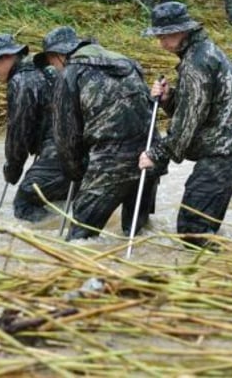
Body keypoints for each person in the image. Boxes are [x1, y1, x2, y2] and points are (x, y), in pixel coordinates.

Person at [138, 2, 232, 248]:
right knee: (203, 229)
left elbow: (188, 122)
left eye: (165, 36)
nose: (161, 44)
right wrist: (170, 97)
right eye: (158, 37)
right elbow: (199, 105)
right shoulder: (202, 52)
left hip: (223, 152)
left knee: (193, 228)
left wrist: (157, 153)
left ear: (182, 31)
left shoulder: (197, 62)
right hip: (229, 150)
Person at [46, 26, 160, 240]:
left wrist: (75, 172)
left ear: (58, 55)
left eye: (51, 62)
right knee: (139, 233)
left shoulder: (70, 73)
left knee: (79, 239)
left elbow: (65, 136)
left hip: (109, 164)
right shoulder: (128, 62)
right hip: (150, 156)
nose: (53, 68)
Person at [0, 33, 70, 222]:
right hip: (75, 148)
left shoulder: (21, 80)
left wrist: (13, 168)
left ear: (6, 57)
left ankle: (42, 246)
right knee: (58, 199)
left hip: (59, 150)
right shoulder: (44, 70)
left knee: (25, 201)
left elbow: (18, 131)